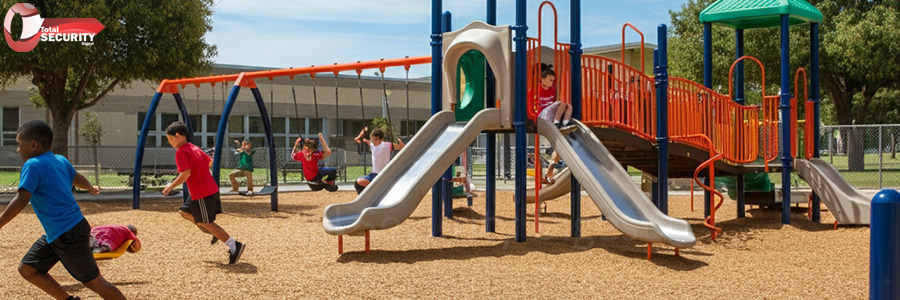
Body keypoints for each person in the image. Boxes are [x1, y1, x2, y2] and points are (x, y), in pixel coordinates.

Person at [0, 120, 126, 300]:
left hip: (67, 233)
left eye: (20, 145)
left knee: (93, 281)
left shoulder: (32, 165)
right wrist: (90, 188)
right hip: (63, 231)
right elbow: (77, 177)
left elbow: (22, 199)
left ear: (33, 145)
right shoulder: (59, 159)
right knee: (28, 268)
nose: (18, 150)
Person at [162, 121, 246, 264]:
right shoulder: (194, 148)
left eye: (169, 139)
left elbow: (186, 173)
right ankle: (214, 232)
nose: (170, 142)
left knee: (206, 222)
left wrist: (171, 186)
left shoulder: (181, 151)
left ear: (177, 136)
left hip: (202, 192)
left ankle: (234, 245)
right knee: (184, 211)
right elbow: (209, 163)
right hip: (207, 189)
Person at [352, 127, 405, 194]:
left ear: (381, 139)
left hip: (382, 174)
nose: (373, 141)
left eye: (376, 139)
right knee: (357, 183)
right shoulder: (372, 145)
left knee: (359, 182)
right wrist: (361, 134)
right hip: (374, 174)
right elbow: (359, 139)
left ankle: (377, 188)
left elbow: (402, 147)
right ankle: (368, 196)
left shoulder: (387, 145)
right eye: (372, 139)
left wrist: (399, 141)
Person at [532, 63, 575, 133]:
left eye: (553, 81)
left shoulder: (552, 89)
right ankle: (556, 123)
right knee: (562, 103)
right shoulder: (537, 89)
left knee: (569, 106)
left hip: (550, 112)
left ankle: (565, 124)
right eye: (550, 80)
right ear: (542, 79)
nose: (552, 83)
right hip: (543, 114)